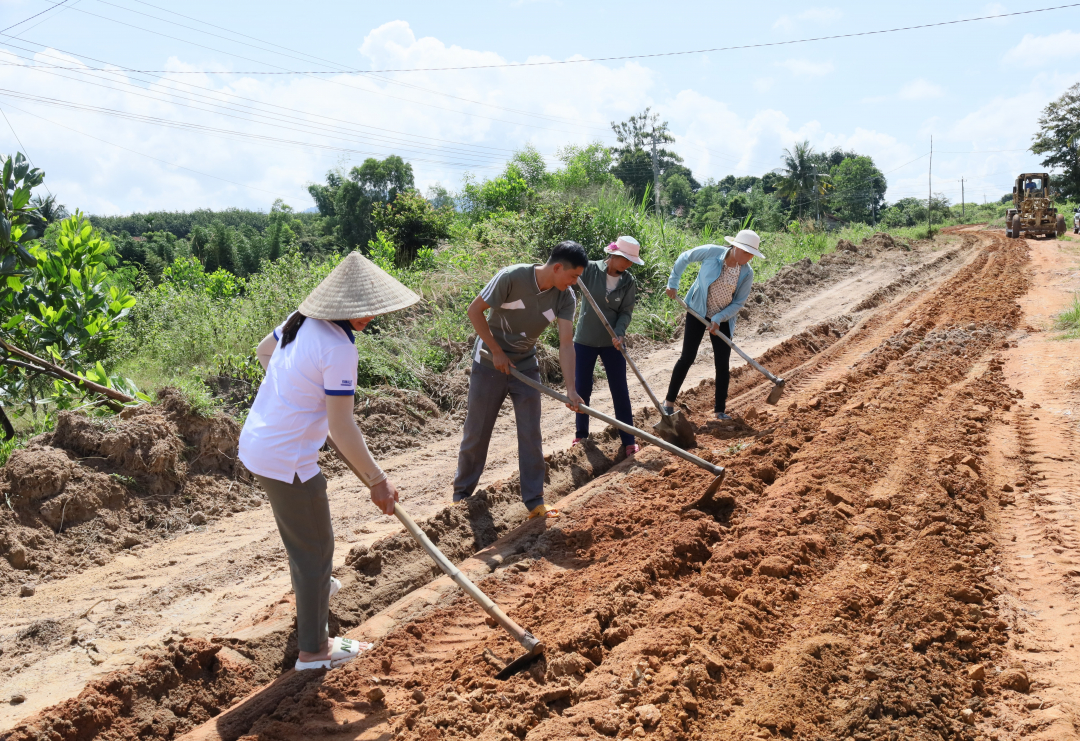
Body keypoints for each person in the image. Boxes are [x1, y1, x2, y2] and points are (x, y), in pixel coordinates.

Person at [238, 252, 419, 671]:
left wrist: (296, 398)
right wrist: (378, 480)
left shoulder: (300, 319)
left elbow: (265, 353)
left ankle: (316, 587)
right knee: (316, 547)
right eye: (362, 309)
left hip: (260, 443)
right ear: (341, 305)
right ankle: (314, 651)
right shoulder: (338, 349)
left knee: (302, 540)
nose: (369, 316)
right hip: (288, 457)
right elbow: (342, 426)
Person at [453, 241, 587, 519]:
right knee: (477, 431)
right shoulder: (511, 277)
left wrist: (571, 390)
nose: (575, 282)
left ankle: (534, 500)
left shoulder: (565, 297)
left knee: (530, 433)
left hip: (525, 366)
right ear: (558, 267)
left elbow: (565, 344)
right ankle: (461, 496)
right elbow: (474, 311)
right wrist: (498, 351)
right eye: (573, 276)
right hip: (489, 363)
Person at [663, 229, 764, 421]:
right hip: (697, 310)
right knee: (687, 357)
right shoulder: (712, 252)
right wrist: (673, 282)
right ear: (735, 247)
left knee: (722, 363)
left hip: (722, 319)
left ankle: (719, 410)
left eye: (752, 254)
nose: (748, 258)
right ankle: (668, 403)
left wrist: (719, 317)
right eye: (745, 252)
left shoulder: (746, 273)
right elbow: (685, 257)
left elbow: (738, 303)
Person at [572, 236, 643, 456]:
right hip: (585, 340)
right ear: (613, 255)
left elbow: (626, 311)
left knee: (619, 389)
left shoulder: (628, 281)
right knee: (582, 389)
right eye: (624, 259)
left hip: (612, 341)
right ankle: (581, 435)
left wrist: (620, 333)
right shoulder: (590, 270)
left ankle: (628, 439)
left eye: (631, 261)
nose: (627, 265)